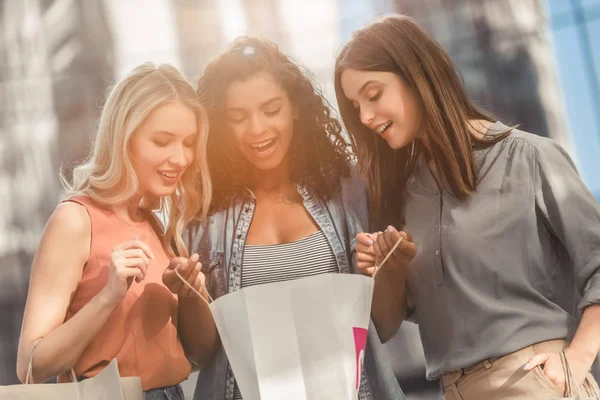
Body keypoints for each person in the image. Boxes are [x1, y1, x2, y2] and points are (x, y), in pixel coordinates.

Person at [334, 14, 600, 400]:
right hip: (452, 389)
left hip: (534, 383)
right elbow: (388, 324)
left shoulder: (530, 157)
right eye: (356, 106)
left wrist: (577, 359)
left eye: (373, 95)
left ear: (417, 75)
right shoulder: (405, 195)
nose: (366, 117)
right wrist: (387, 268)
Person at [184, 36, 404, 400]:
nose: (257, 130)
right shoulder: (204, 215)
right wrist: (188, 295)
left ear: (295, 108)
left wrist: (391, 267)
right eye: (238, 118)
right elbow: (202, 353)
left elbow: (384, 324)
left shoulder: (351, 189)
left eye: (271, 109)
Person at [16, 62, 215, 400]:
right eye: (163, 141)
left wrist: (189, 296)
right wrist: (108, 297)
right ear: (125, 138)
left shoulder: (153, 223)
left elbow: (203, 354)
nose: (181, 157)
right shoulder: (75, 220)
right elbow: (30, 365)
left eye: (189, 142)